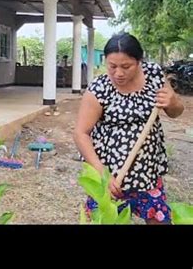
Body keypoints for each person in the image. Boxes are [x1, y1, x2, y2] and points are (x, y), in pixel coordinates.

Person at [73, 32, 184, 224]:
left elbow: (175, 112)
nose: (118, 73)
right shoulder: (100, 88)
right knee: (108, 219)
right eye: (112, 66)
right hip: (113, 178)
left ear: (139, 61)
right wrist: (102, 174)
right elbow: (80, 133)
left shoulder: (154, 75)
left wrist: (172, 102)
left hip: (147, 173)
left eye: (126, 66)